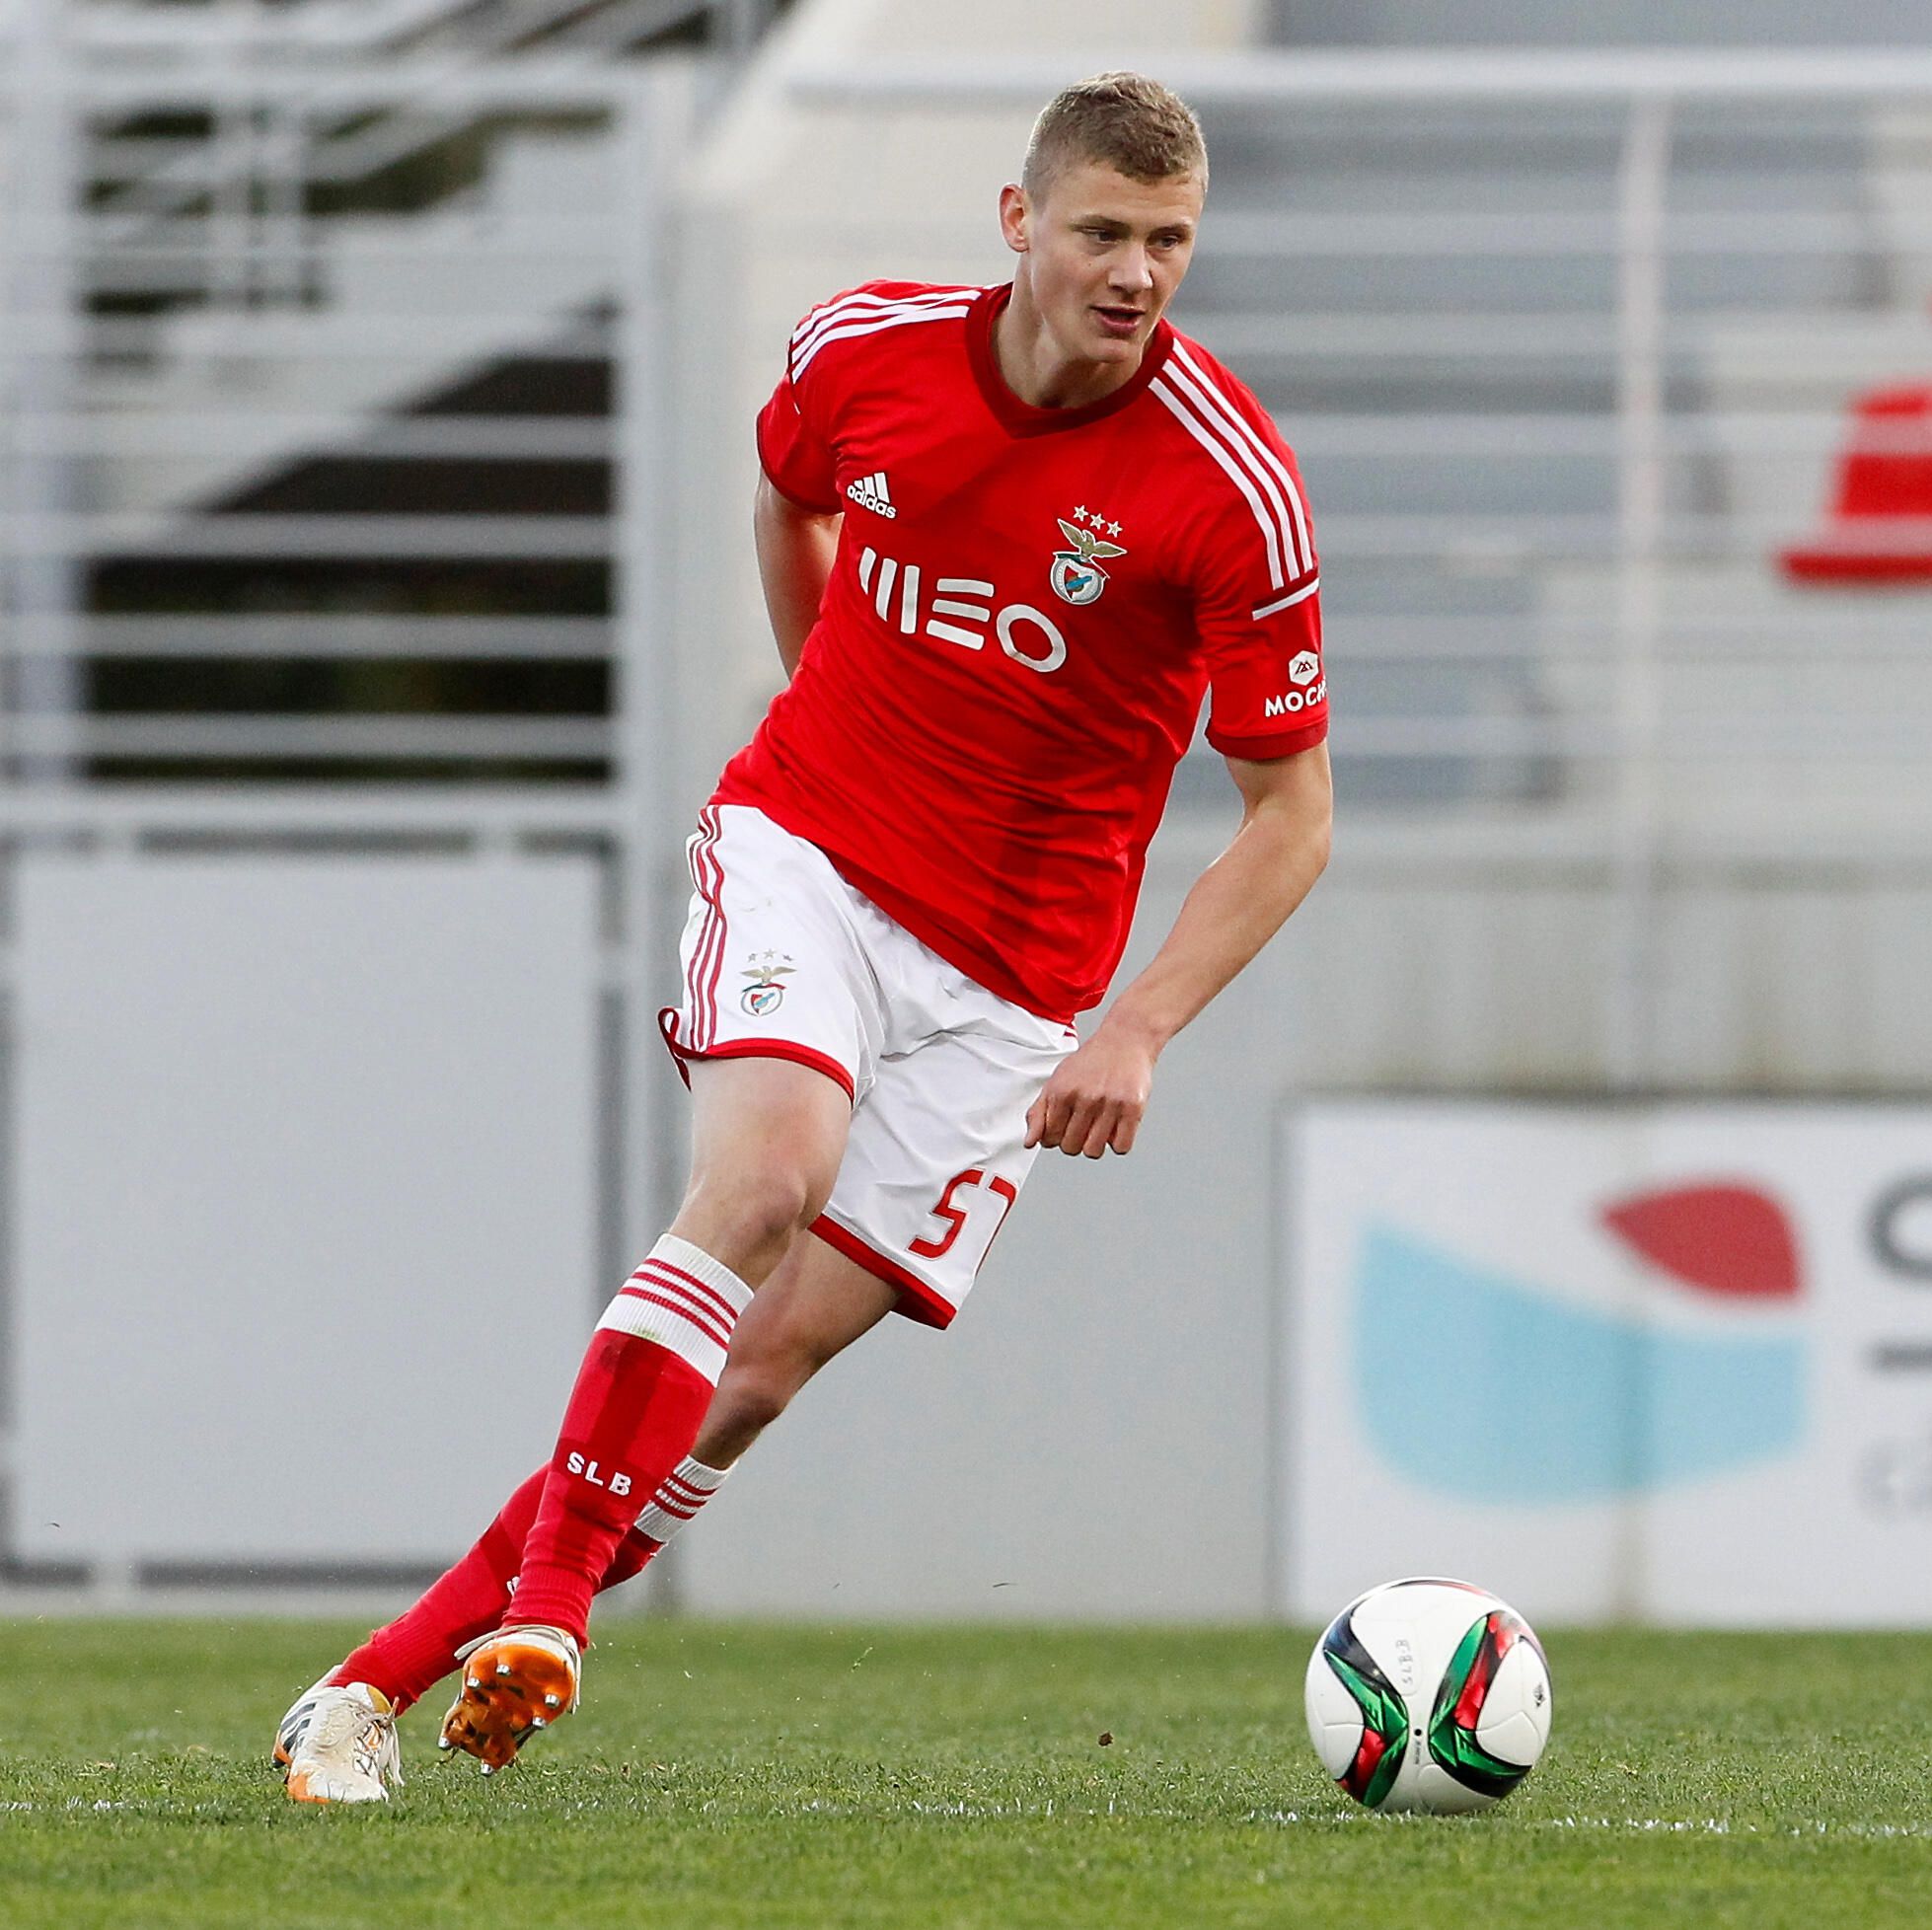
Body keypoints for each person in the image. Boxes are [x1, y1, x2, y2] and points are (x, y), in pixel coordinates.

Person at [273, 69, 1331, 1804]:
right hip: (812, 853)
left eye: (1168, 240)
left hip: (1015, 988)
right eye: (1102, 232)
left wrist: (1137, 1026)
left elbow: (1294, 813)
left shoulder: (1230, 489)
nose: (1135, 271)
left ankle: (371, 1688)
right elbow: (794, 500)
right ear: (1019, 224)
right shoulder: (861, 347)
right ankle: (552, 1614)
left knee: (758, 1373)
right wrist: (832, 707)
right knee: (768, 1173)